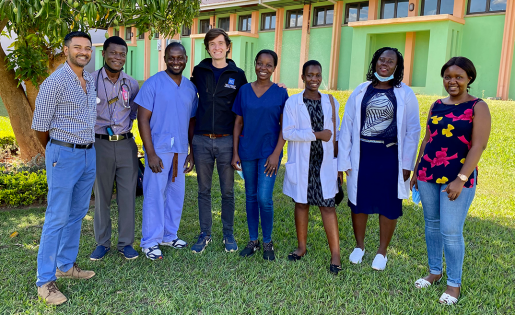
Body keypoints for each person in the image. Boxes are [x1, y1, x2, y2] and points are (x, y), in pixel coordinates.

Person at [411, 57, 491, 305]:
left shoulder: (478, 106)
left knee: (451, 231)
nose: (452, 81)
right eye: (448, 76)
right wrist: (416, 170)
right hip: (428, 174)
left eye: (458, 77)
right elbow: (428, 139)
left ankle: (454, 285)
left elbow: (479, 145)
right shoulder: (436, 104)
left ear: (469, 79)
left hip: (458, 177)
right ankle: (435, 271)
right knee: (432, 225)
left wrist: (461, 178)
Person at [338, 47, 420, 271]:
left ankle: (382, 252)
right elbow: (347, 125)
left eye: (390, 61)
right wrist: (344, 159)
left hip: (390, 156)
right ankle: (359, 246)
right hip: (362, 154)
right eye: (381, 60)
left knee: (389, 203)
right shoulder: (361, 90)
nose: (385, 64)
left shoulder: (405, 93)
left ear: (397, 66)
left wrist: (406, 164)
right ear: (374, 63)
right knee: (358, 202)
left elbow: (413, 130)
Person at [31, 31, 97, 305]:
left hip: (88, 154)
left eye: (87, 48)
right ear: (66, 49)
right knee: (57, 216)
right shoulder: (54, 82)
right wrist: (57, 151)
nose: (83, 51)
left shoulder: (89, 79)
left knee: (78, 212)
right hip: (63, 154)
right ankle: (45, 282)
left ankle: (66, 265)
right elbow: (39, 128)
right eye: (78, 47)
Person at [135, 42, 198, 260]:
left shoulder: (190, 88)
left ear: (186, 59)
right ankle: (150, 241)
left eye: (180, 58)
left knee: (175, 194)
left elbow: (191, 122)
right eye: (171, 58)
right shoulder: (153, 84)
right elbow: (142, 118)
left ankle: (169, 235)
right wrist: (150, 152)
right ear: (165, 59)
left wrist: (191, 151)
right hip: (159, 149)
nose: (176, 62)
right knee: (154, 195)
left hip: (180, 150)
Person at [189, 28, 247, 253]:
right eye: (212, 44)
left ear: (228, 46)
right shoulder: (199, 71)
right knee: (203, 190)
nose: (217, 48)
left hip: (226, 142)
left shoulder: (238, 74)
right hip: (202, 140)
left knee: (228, 191)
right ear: (207, 48)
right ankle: (205, 234)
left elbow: (245, 105)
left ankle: (228, 234)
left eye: (221, 43)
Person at [282, 60, 342, 274]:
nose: (314, 79)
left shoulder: (331, 101)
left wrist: (339, 166)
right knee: (301, 204)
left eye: (318, 75)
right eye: (310, 75)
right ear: (303, 77)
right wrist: (316, 135)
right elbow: (287, 133)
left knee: (327, 206)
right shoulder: (293, 102)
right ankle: (301, 247)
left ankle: (335, 253)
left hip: (324, 163)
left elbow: (336, 135)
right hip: (303, 163)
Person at [231, 49, 288, 261]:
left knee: (264, 198)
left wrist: (275, 154)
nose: (263, 68)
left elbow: (285, 126)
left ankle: (267, 242)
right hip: (247, 151)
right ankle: (253, 240)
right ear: (254, 64)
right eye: (260, 63)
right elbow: (238, 123)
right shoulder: (244, 91)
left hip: (269, 152)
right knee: (251, 196)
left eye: (268, 65)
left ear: (274, 68)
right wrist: (235, 151)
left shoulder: (281, 93)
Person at [90, 36, 140, 261]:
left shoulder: (131, 83)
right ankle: (102, 242)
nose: (118, 58)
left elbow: (134, 111)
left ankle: (125, 243)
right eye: (113, 53)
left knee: (128, 195)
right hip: (100, 144)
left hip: (126, 143)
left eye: (122, 54)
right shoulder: (90, 81)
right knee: (101, 195)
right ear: (103, 54)